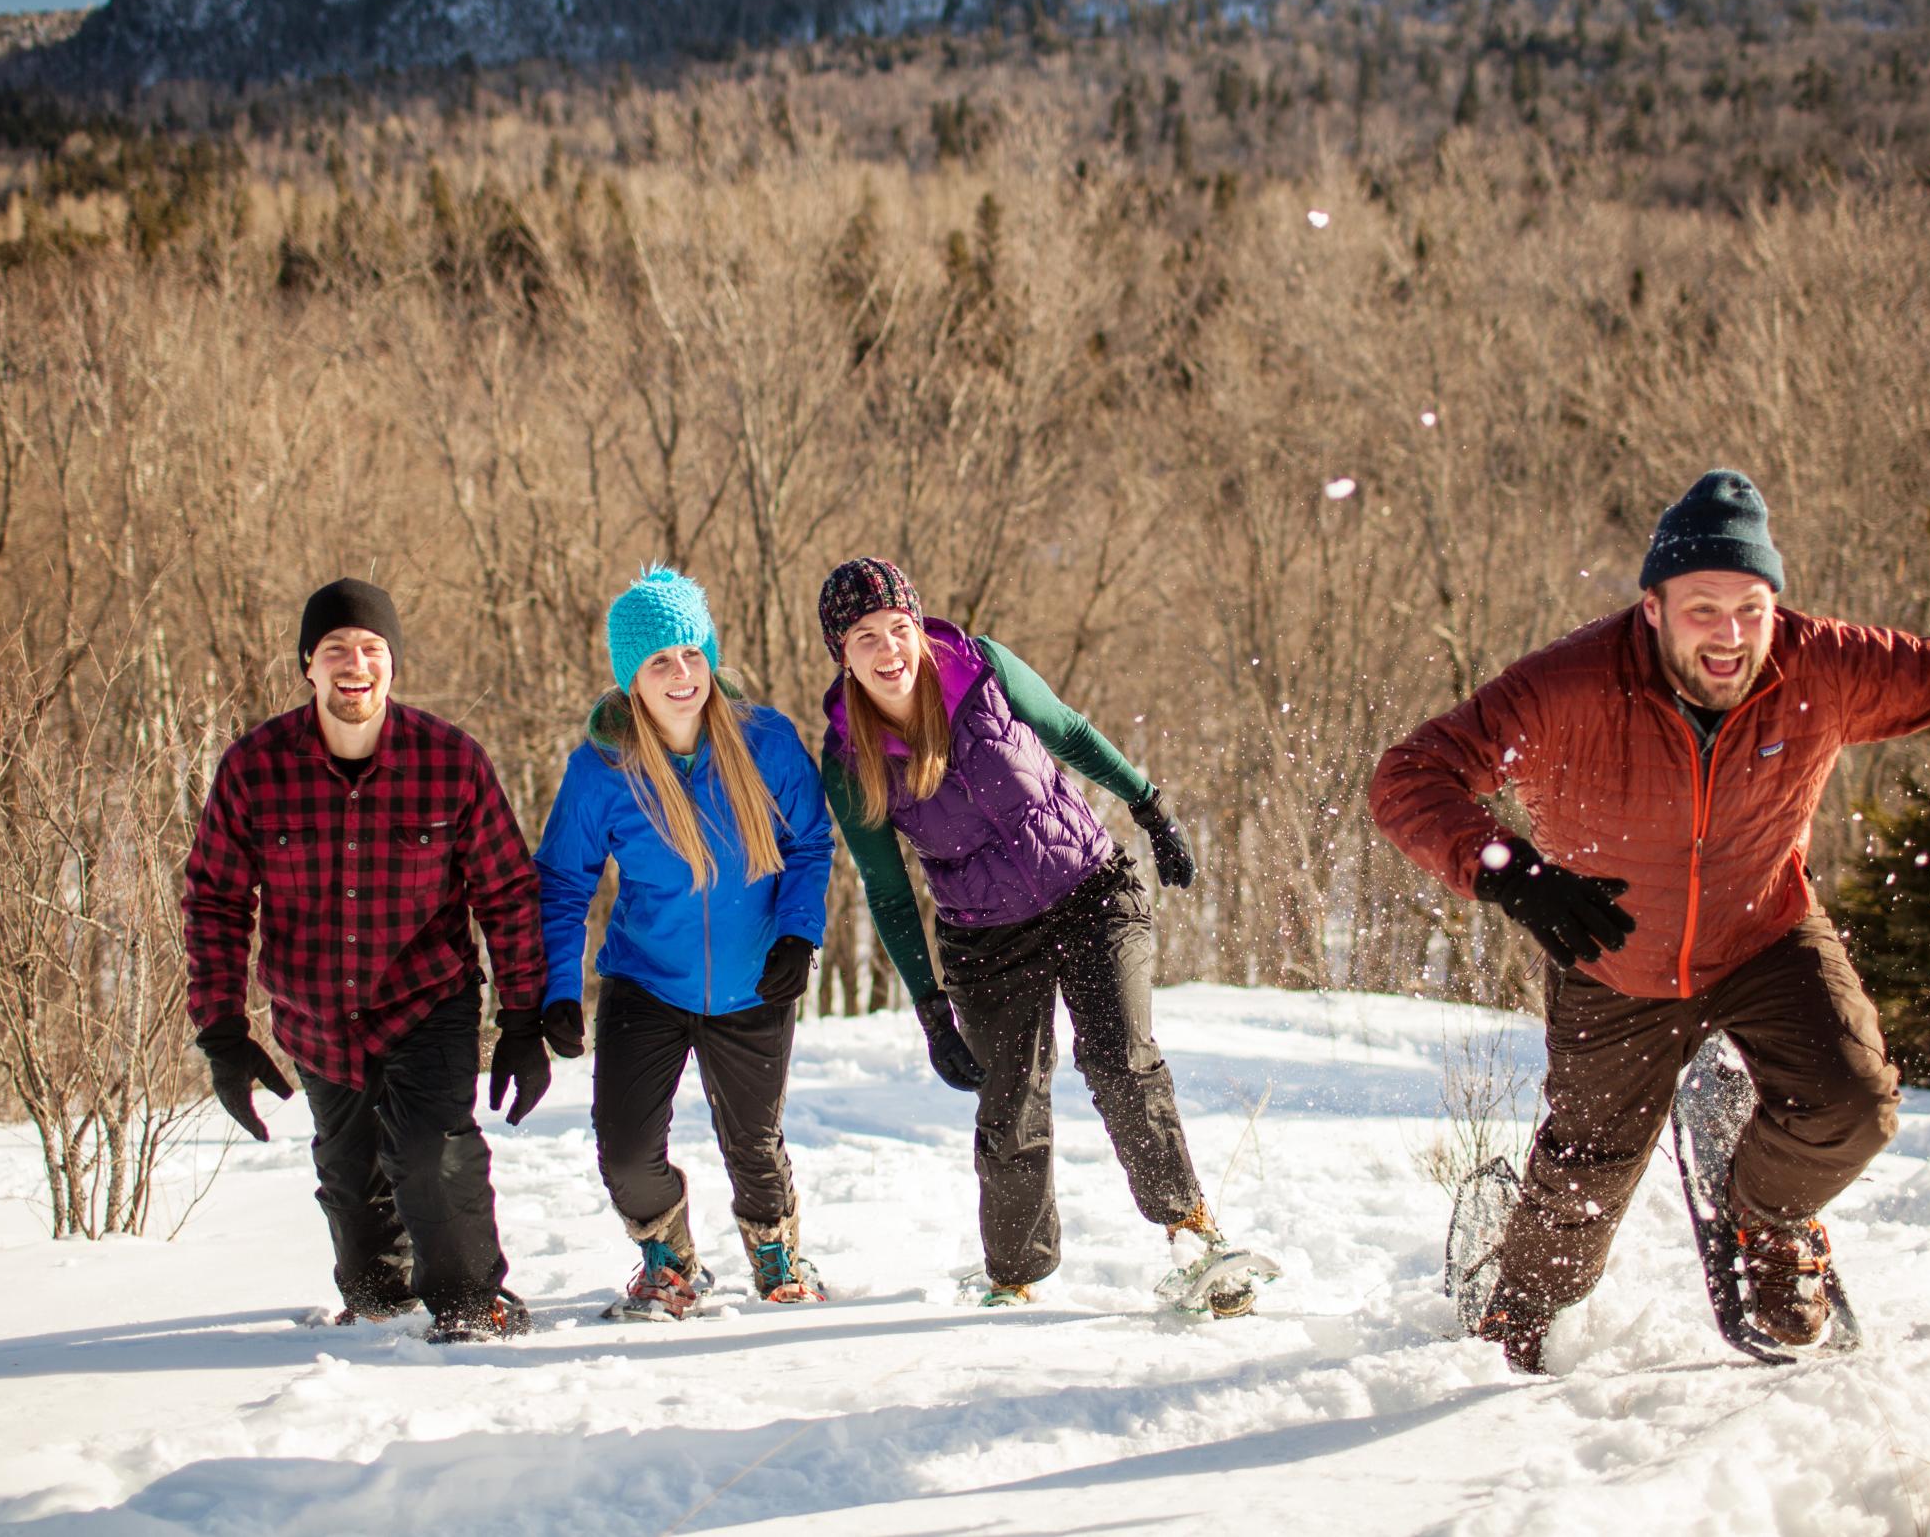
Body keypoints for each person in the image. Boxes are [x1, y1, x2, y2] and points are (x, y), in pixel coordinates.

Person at [1369, 470, 1930, 1371]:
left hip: (1765, 932)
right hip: (1613, 958)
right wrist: (1510, 870)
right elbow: (1409, 775)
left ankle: (1768, 1220)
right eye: (1703, 607)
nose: (1731, 634)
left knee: (1856, 1105)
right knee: (1583, 1187)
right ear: (1655, 607)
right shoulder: (1570, 684)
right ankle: (1513, 1307)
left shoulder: (1821, 664)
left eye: (1750, 607)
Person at [814, 556, 1265, 1314]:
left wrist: (1149, 807)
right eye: (865, 637)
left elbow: (1071, 734)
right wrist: (929, 1009)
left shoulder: (984, 669)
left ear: (918, 625)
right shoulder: (847, 758)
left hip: (1090, 890)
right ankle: (1013, 1277)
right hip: (985, 939)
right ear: (843, 655)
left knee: (1121, 1063)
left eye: (899, 627)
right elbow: (888, 892)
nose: (889, 649)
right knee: (1010, 1105)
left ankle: (1194, 1237)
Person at [183, 578, 551, 1343]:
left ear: (394, 665)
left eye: (372, 649)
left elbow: (509, 894)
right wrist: (221, 1028)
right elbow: (216, 898)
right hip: (316, 1018)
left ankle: (470, 1303)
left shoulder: (451, 761)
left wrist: (523, 1017)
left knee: (430, 1153)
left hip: (427, 999)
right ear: (308, 667)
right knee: (353, 1192)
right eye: (336, 650)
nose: (356, 664)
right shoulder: (255, 768)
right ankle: (379, 1305)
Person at [536, 568, 838, 1320]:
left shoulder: (766, 741)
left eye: (692, 655)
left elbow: (810, 845)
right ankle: (668, 1259)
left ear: (710, 656)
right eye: (659, 662)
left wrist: (799, 933)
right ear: (630, 678)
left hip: (755, 977)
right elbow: (563, 886)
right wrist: (558, 990)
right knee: (625, 1150)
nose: (681, 675)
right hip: (647, 981)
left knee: (754, 1145)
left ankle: (775, 1248)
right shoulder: (600, 771)